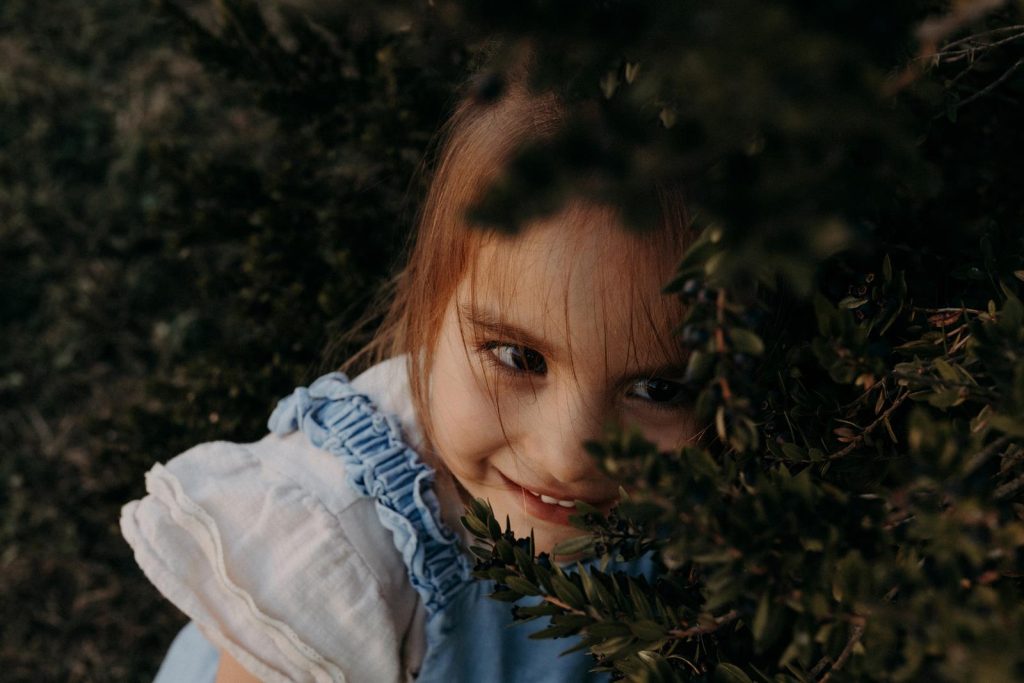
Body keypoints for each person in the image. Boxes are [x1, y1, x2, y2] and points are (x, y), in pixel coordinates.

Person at [120, 53, 700, 682]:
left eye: (657, 388)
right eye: (518, 357)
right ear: (432, 307)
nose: (567, 456)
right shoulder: (350, 543)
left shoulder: (752, 483)